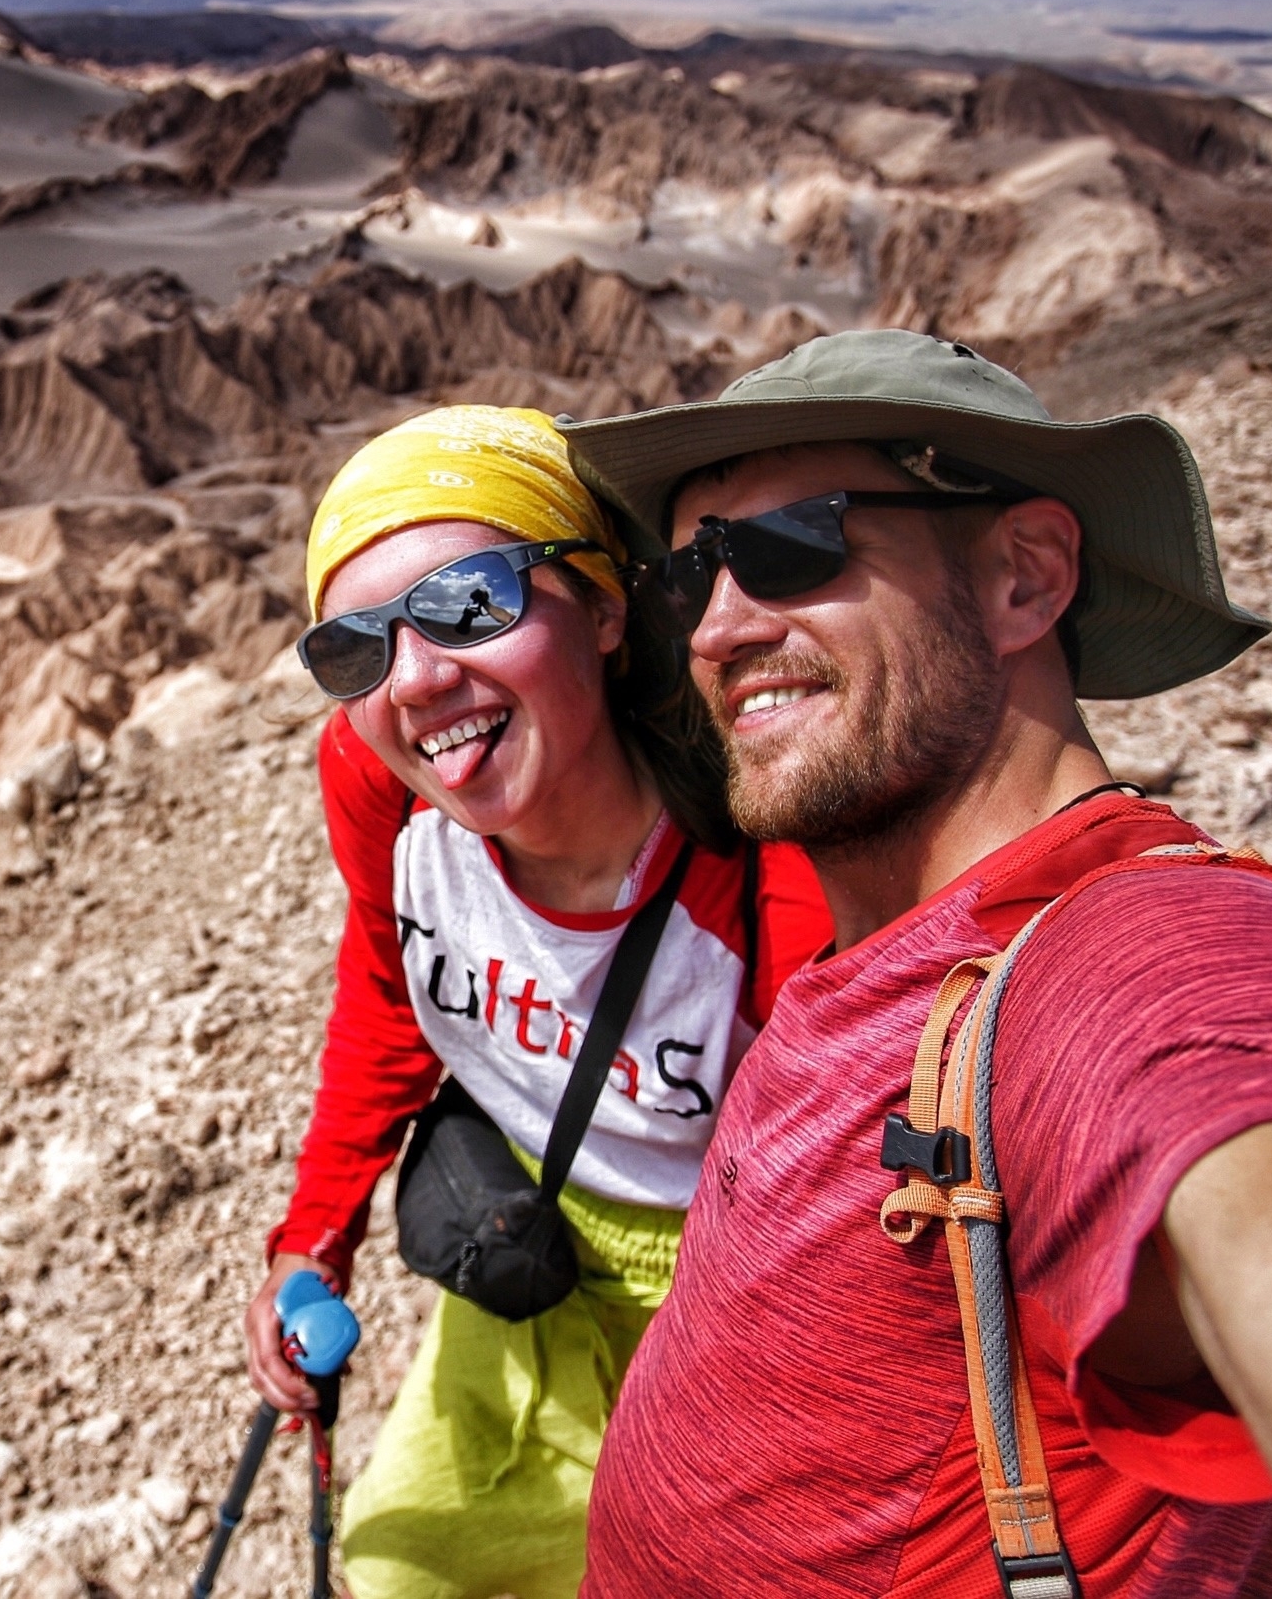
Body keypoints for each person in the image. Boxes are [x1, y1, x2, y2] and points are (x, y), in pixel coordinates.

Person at [559, 330, 1272, 1597]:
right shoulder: (894, 938)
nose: (719, 628)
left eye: (791, 544)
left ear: (1024, 575)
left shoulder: (1133, 948)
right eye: (691, 574)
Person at [243, 405, 832, 1599]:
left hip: (736, 1290)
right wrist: (313, 1239)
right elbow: (385, 994)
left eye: (470, 602)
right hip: (534, 1249)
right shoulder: (379, 786)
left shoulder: (760, 855)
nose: (415, 677)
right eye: (356, 649)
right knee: (405, 1562)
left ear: (605, 608)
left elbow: (838, 1161)